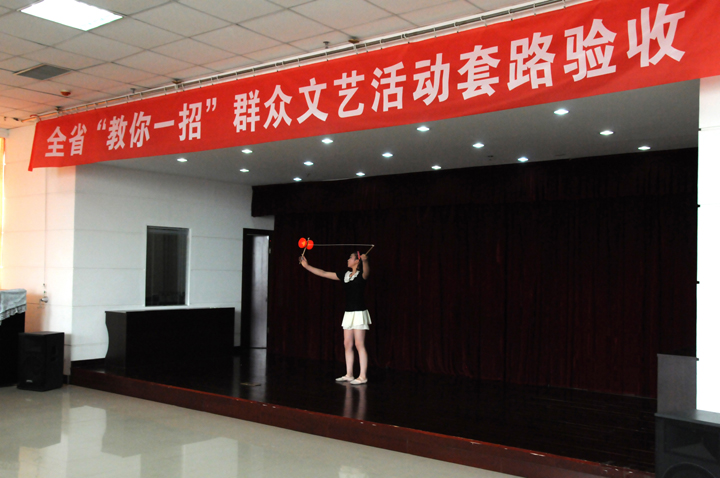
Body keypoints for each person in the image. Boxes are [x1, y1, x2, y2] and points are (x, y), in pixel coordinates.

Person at [299, 251, 370, 384]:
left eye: (350, 257)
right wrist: (307, 266)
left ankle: (362, 376)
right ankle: (349, 374)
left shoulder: (362, 274)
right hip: (348, 313)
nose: (348, 259)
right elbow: (324, 273)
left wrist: (365, 261)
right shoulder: (345, 275)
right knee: (347, 344)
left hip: (359, 313)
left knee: (359, 344)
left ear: (357, 261)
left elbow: (366, 271)